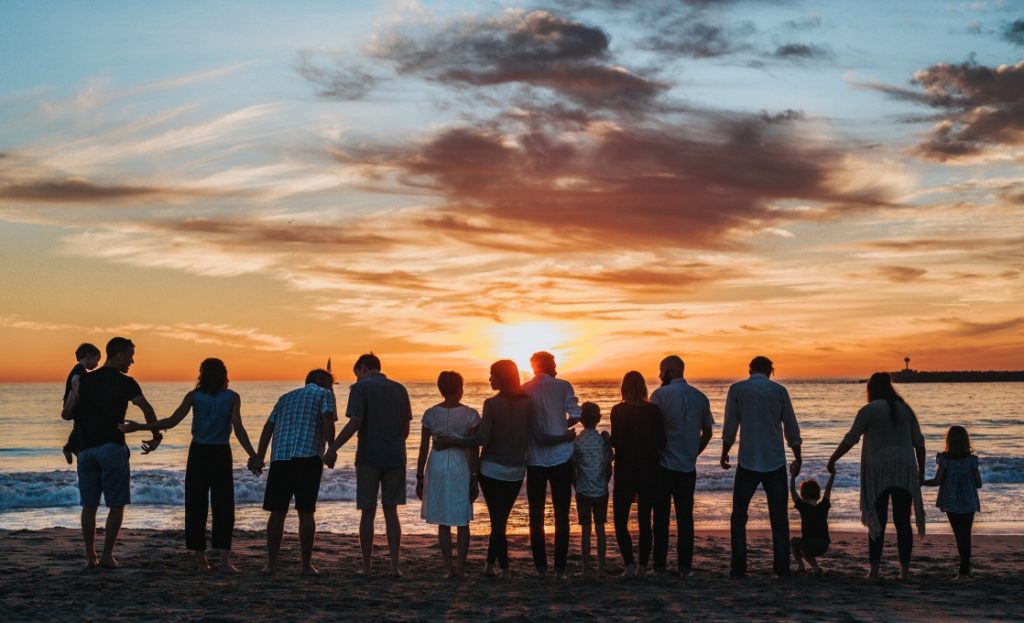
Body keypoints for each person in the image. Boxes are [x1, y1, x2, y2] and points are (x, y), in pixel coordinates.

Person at [119, 358, 258, 572]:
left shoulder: (195, 396)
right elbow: (238, 428)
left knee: (196, 505)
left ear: (202, 374)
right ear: (224, 375)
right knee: (224, 507)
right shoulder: (231, 397)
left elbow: (171, 422)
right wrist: (253, 455)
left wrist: (141, 427)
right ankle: (224, 562)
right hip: (220, 453)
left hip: (199, 453)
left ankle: (202, 560)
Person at [61, 337, 162, 569]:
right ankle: (106, 555)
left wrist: (76, 393)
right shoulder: (126, 382)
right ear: (118, 356)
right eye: (129, 356)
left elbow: (67, 414)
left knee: (89, 505)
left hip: (85, 450)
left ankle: (90, 556)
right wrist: (156, 437)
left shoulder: (83, 380)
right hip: (111, 447)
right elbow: (147, 409)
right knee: (116, 504)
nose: (132, 361)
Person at [435, 359, 532, 581]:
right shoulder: (528, 403)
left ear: (503, 378)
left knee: (498, 521)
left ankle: (505, 569)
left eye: (492, 375)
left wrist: (450, 441)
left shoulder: (491, 404)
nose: (489, 379)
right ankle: (489, 565)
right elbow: (536, 433)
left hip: (491, 470)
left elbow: (481, 439)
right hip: (516, 470)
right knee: (500, 520)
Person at [827, 372, 926, 581]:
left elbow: (850, 439)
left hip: (878, 470)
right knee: (902, 522)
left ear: (871, 389)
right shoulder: (906, 409)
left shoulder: (869, 410)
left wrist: (833, 459)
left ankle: (874, 570)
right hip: (904, 468)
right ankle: (905, 571)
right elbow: (919, 442)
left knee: (876, 520)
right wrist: (921, 471)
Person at [323, 353, 412, 577]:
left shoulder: (360, 389)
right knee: (391, 512)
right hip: (395, 456)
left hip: (369, 457)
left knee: (367, 512)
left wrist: (333, 447)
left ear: (362, 368)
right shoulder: (400, 389)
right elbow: (406, 430)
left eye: (357, 374)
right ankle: (394, 567)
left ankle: (367, 567)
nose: (357, 379)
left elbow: (355, 422)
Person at [721, 355, 802, 578]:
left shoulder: (737, 390)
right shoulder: (779, 391)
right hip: (774, 460)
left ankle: (738, 567)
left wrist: (725, 450)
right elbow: (791, 427)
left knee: (739, 515)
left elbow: (731, 424)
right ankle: (781, 568)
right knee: (779, 517)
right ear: (770, 371)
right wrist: (798, 455)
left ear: (749, 370)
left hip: (748, 460)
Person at [250, 369, 337, 575]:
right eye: (330, 381)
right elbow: (326, 418)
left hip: (280, 458)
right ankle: (306, 566)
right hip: (308, 457)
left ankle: (270, 564)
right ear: (320, 380)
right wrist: (332, 448)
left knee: (277, 512)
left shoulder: (285, 397)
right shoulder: (325, 394)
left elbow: (268, 427)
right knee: (306, 512)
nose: (332, 385)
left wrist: (259, 456)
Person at [650, 355, 713, 576]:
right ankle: (685, 567)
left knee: (661, 518)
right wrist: (694, 452)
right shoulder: (700, 397)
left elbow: (652, 430)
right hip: (687, 466)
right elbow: (708, 432)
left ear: (669, 371)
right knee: (685, 518)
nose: (659, 375)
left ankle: (659, 566)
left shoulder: (659, 395)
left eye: (661, 370)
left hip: (664, 465)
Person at [415, 371, 480, 579]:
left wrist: (419, 477)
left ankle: (449, 569)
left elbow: (423, 448)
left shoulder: (430, 414)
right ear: (460, 389)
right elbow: (474, 449)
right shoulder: (471, 414)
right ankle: (461, 568)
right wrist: (475, 477)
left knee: (443, 521)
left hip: (437, 465)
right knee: (462, 520)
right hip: (461, 465)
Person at [522, 351, 581, 579]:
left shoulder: (525, 389)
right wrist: (561, 426)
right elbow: (576, 414)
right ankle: (560, 568)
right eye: (554, 363)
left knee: (535, 514)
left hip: (535, 459)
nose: (557, 367)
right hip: (561, 458)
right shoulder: (564, 386)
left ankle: (540, 567)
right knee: (561, 514)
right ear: (548, 364)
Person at [610, 371, 666, 577]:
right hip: (650, 469)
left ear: (623, 388)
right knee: (645, 521)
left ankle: (629, 565)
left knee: (620, 520)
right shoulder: (653, 411)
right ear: (643, 388)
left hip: (626, 470)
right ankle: (643, 566)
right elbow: (662, 442)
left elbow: (616, 442)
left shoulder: (618, 411)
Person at [923, 425, 981, 580]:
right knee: (966, 535)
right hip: (969, 500)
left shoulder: (944, 459)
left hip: (951, 500)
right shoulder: (972, 460)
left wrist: (921, 482)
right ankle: (965, 570)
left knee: (958, 535)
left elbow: (937, 481)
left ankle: (963, 572)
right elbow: (979, 484)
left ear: (948, 441)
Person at [572, 402, 612, 577]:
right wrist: (604, 481)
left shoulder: (577, 442)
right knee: (601, 529)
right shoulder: (603, 441)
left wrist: (576, 486)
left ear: (580, 420)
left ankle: (586, 569)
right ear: (599, 419)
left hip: (583, 491)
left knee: (586, 531)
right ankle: (601, 568)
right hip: (601, 491)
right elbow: (609, 465)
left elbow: (573, 469)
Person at [62, 342, 101, 464]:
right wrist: (83, 398)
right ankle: (69, 447)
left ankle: (75, 448)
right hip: (74, 403)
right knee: (81, 425)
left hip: (76, 404)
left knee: (79, 425)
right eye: (97, 359)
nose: (97, 364)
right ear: (89, 356)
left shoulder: (81, 370)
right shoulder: (79, 369)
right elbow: (75, 382)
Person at [789, 471, 835, 575]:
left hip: (810, 544)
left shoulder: (803, 507)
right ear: (818, 495)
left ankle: (801, 566)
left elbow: (792, 491)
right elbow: (828, 489)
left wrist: (793, 475)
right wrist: (833, 474)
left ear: (803, 496)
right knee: (804, 548)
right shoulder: (824, 506)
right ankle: (816, 568)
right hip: (823, 545)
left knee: (794, 542)